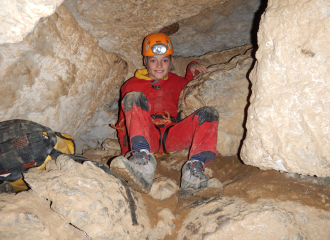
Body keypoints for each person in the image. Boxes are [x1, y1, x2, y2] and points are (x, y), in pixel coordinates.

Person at [110, 33, 222, 199]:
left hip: (172, 135)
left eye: (165, 60)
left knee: (209, 114)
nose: (159, 65)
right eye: (153, 60)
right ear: (144, 61)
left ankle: (194, 172)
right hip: (148, 137)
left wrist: (193, 66)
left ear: (171, 62)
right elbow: (124, 123)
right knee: (134, 97)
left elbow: (191, 86)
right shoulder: (131, 85)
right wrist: (128, 154)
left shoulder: (177, 81)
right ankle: (141, 162)